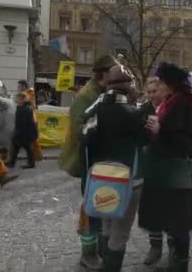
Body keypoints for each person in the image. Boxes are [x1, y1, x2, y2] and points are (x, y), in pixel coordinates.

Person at [138, 62, 192, 271]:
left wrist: (161, 130)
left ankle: (178, 265)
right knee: (174, 221)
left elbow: (188, 142)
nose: (158, 86)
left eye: (161, 82)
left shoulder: (183, 103)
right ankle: (171, 258)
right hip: (171, 172)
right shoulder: (174, 101)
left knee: (179, 224)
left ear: (170, 84)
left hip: (180, 173)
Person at [82, 65, 146, 271]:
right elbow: (144, 141)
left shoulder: (93, 110)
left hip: (99, 176)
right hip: (129, 180)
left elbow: (85, 142)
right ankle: (110, 267)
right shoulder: (134, 113)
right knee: (120, 231)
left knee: (106, 223)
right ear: (128, 88)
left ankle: (104, 260)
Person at [58, 55, 118, 271]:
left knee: (100, 205)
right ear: (104, 73)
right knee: (90, 209)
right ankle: (88, 254)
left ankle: (98, 249)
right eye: (115, 71)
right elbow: (79, 126)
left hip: (100, 160)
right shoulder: (88, 95)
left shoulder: (101, 91)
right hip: (88, 159)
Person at [139, 77, 170, 267]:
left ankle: (176, 249)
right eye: (149, 92)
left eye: (154, 91)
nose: (151, 95)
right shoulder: (143, 110)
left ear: (164, 91)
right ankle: (155, 246)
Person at [7, 93, 38, 169]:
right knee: (16, 147)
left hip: (25, 133)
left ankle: (31, 163)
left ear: (23, 99)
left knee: (27, 148)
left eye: (18, 98)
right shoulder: (22, 107)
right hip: (21, 132)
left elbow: (24, 123)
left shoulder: (26, 109)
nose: (17, 100)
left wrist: (18, 133)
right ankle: (12, 162)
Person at [18, 80, 43, 161]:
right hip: (29, 119)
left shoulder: (29, 93)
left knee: (33, 139)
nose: (18, 88)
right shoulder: (27, 93)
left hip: (31, 119)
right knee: (31, 139)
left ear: (24, 86)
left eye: (20, 86)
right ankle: (35, 157)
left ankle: (36, 157)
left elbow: (30, 105)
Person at [0, 80, 17, 158]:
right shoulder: (9, 100)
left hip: (3, 126)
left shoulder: (2, 100)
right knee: (3, 143)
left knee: (1, 142)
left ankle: (3, 157)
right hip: (5, 126)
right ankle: (4, 156)